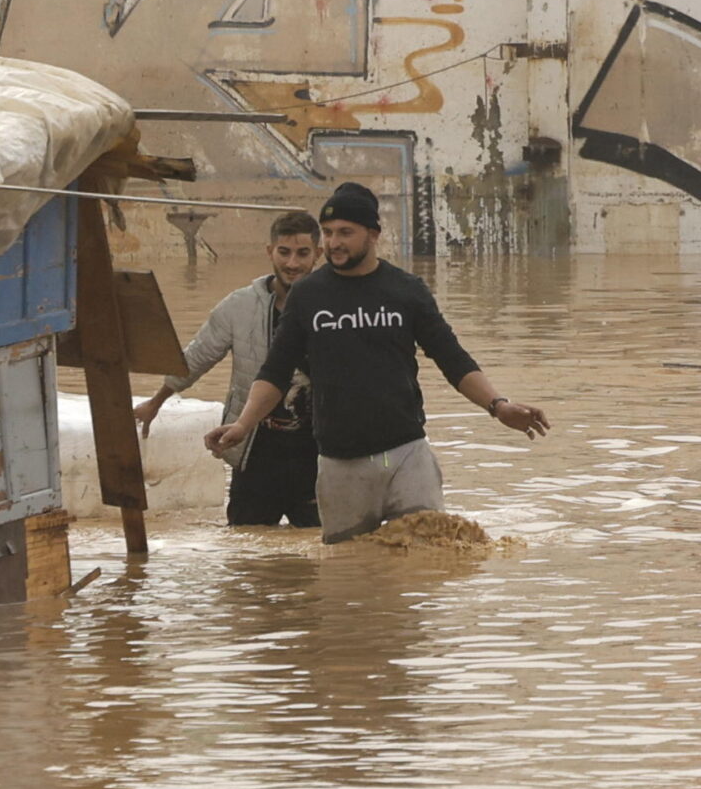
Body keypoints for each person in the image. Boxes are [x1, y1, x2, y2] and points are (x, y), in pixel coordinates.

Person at [206, 182, 548, 543]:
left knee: (429, 558)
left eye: (345, 233)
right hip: (340, 465)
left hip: (407, 455)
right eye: (329, 233)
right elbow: (274, 372)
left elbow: (453, 359)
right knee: (348, 576)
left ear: (373, 234)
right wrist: (243, 425)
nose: (334, 243)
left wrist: (498, 406)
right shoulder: (308, 295)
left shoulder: (406, 291)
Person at [138, 210, 322, 527]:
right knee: (246, 553)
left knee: (325, 553)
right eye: (284, 252)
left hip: (318, 449)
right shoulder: (240, 306)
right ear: (269, 252)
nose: (292, 263)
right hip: (255, 447)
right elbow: (196, 358)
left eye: (302, 253)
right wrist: (156, 402)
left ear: (318, 254)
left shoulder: (334, 306)